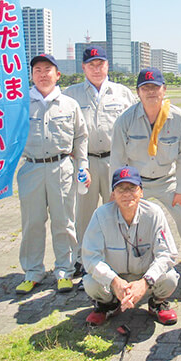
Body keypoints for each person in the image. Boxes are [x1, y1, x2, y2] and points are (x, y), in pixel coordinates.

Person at [0, 54, 89, 295]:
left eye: (48, 69)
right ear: (31, 75)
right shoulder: (19, 105)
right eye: (37, 69)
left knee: (64, 222)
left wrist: (83, 166)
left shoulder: (69, 105)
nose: (42, 73)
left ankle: (65, 271)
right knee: (32, 223)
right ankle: (33, 272)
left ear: (57, 75)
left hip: (62, 168)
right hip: (32, 169)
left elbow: (80, 137)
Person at [110, 68, 181, 289]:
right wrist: (119, 192)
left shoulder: (177, 117)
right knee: (125, 224)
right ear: (138, 92)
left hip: (167, 181)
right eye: (145, 88)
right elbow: (117, 159)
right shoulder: (126, 120)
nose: (151, 92)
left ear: (164, 90)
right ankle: (119, 271)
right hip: (136, 183)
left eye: (155, 87)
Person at [63, 46, 138, 281]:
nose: (96, 69)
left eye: (100, 64)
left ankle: (117, 256)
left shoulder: (122, 93)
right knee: (83, 214)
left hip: (115, 162)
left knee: (118, 208)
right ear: (83, 67)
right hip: (84, 163)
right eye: (91, 65)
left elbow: (135, 126)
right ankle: (81, 259)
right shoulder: (71, 94)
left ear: (107, 66)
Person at [82, 165, 180, 326]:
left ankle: (157, 304)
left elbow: (167, 253)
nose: (127, 194)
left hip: (145, 278)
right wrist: (114, 281)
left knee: (170, 279)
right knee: (90, 283)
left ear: (141, 191)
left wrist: (144, 282)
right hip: (114, 279)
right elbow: (90, 258)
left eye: (132, 188)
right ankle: (108, 305)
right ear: (113, 194)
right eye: (120, 189)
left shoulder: (154, 213)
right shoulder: (100, 215)